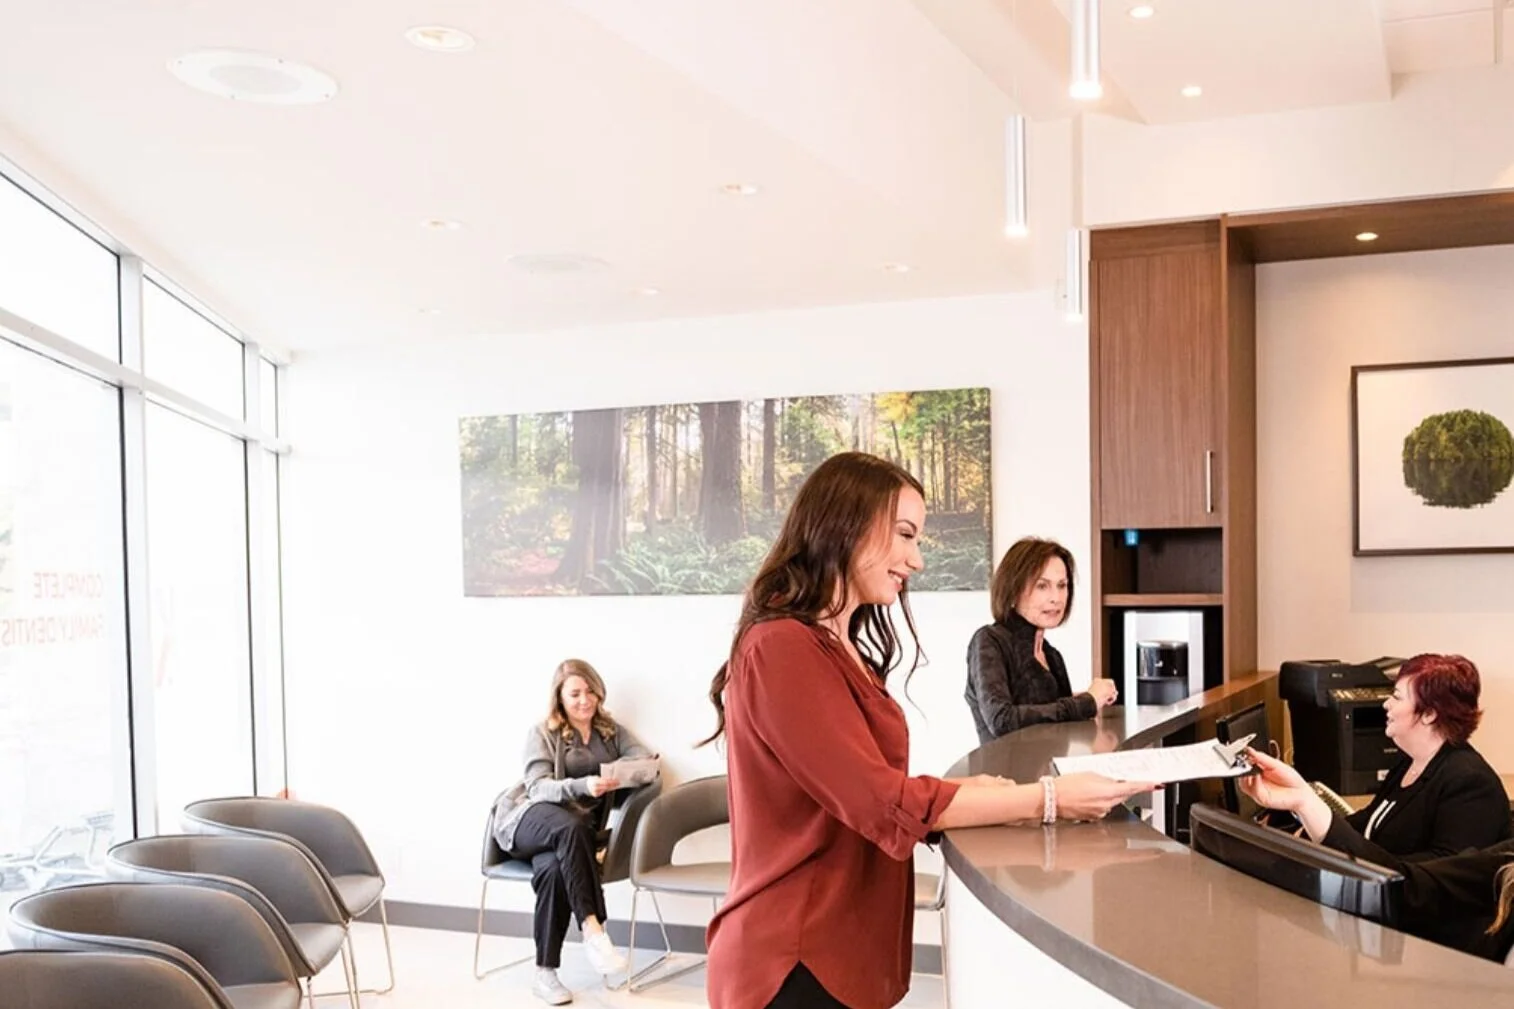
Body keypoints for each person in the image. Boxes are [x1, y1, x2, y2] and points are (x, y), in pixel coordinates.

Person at [700, 452, 1152, 1009]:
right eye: (905, 535)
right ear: (846, 524)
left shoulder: (841, 647)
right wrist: (1049, 799)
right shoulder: (782, 647)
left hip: (839, 943)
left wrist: (971, 792)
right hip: (794, 953)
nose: (916, 560)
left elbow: (860, 783)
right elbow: (879, 801)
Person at [490, 659, 657, 1005]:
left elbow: (642, 758)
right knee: (571, 826)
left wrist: (618, 771)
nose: (585, 700)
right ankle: (593, 929)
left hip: (572, 836)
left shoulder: (609, 732)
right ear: (560, 698)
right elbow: (538, 788)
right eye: (575, 694)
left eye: (590, 691)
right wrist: (583, 785)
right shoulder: (542, 733)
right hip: (527, 821)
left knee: (553, 869)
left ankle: (545, 974)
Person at [1239, 653, 1509, 864]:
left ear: (1429, 714)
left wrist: (1306, 805)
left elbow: (1428, 880)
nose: (1386, 704)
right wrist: (1305, 828)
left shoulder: (1469, 783)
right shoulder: (1410, 762)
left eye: (1397, 697)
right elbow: (1369, 822)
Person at [964, 537, 1117, 744]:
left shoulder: (1052, 655)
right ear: (1014, 589)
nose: (1056, 598)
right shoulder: (989, 640)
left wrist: (1089, 699)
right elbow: (1001, 720)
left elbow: (1057, 719)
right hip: (1007, 766)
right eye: (1042, 586)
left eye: (1062, 585)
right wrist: (1085, 703)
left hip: (1052, 765)